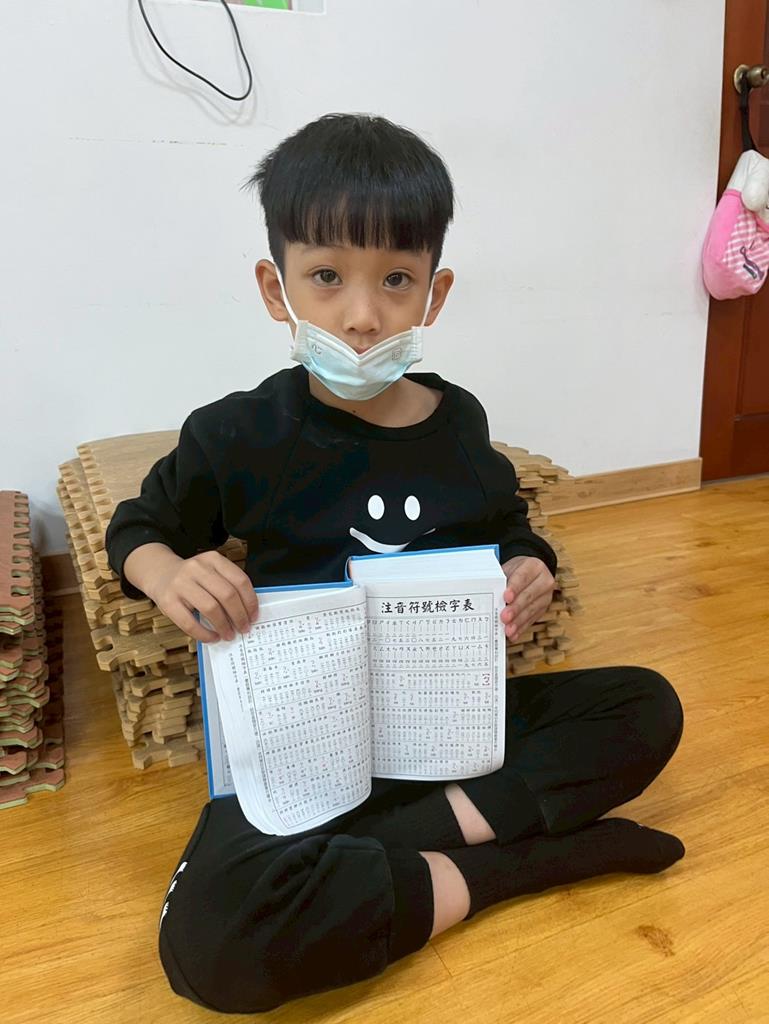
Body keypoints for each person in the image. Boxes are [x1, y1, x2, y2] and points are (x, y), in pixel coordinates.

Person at [105, 113, 685, 1015]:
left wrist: (529, 567)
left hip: (448, 722)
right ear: (275, 287)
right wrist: (167, 572)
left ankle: (373, 856)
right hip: (306, 747)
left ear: (433, 294)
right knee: (209, 948)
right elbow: (137, 530)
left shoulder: (457, 423)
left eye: (396, 280)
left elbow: (508, 527)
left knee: (644, 706)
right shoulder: (238, 434)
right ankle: (522, 865)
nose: (362, 316)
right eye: (326, 276)